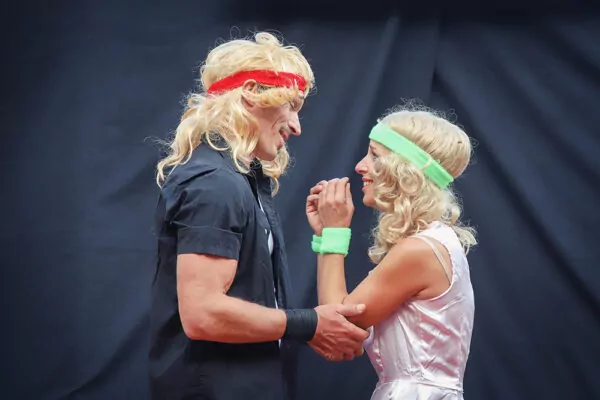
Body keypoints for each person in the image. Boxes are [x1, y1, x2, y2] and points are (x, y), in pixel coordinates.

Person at [150, 32, 369, 400]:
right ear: (251, 93)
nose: (297, 126)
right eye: (292, 106)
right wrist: (309, 324)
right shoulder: (215, 183)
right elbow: (202, 313)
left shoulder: (238, 181)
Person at [305, 106, 477, 399]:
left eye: (374, 155)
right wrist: (325, 235)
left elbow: (336, 324)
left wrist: (333, 233)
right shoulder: (433, 242)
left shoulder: (420, 250)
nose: (360, 166)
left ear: (405, 169)